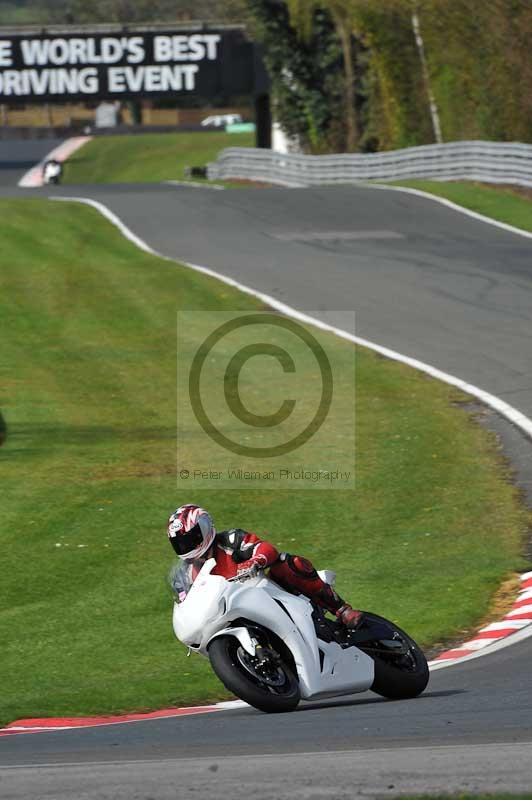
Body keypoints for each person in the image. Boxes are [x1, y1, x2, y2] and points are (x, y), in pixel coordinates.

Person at [167, 504, 362, 629]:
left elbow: (266, 548)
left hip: (265, 594)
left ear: (204, 529)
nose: (187, 547)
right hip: (227, 613)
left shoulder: (229, 540)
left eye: (190, 539)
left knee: (287, 563)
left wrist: (255, 561)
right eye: (181, 543)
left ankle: (342, 610)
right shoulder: (184, 576)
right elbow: (187, 606)